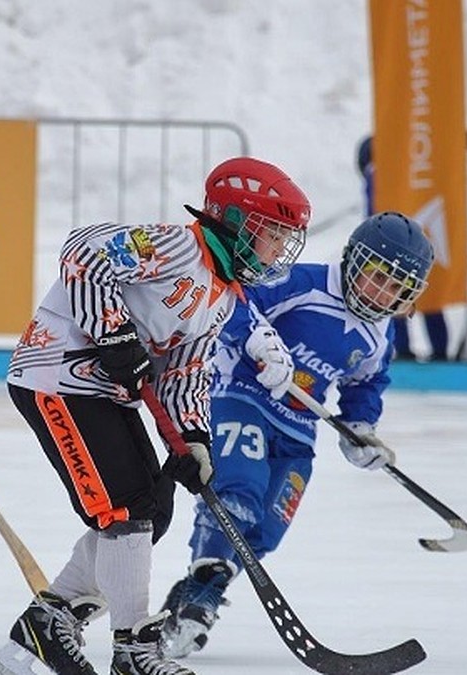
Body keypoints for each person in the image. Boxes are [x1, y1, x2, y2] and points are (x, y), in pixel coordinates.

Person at [0, 157, 309, 675]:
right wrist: (113, 333)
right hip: (54, 375)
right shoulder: (180, 247)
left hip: (100, 392)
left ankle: (42, 628)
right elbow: (85, 251)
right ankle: (133, 647)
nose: (278, 248)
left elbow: (185, 370)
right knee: (127, 511)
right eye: (272, 233)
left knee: (151, 511)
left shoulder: (224, 296)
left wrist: (193, 438)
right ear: (234, 220)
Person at [158, 211, 434, 658]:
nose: (383, 292)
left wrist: (360, 428)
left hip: (298, 430)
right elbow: (233, 303)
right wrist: (258, 345)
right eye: (377, 276)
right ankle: (202, 598)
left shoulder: (380, 336)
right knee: (238, 494)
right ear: (353, 261)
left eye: (397, 286)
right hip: (240, 396)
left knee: (266, 529)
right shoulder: (303, 282)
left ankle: (196, 592)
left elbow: (366, 383)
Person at [356, 135, 448, 361]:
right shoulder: (410, 171)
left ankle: (403, 350)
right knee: (428, 297)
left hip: (388, 245)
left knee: (391, 296)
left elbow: (373, 213)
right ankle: (440, 351)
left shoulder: (374, 174)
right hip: (421, 241)